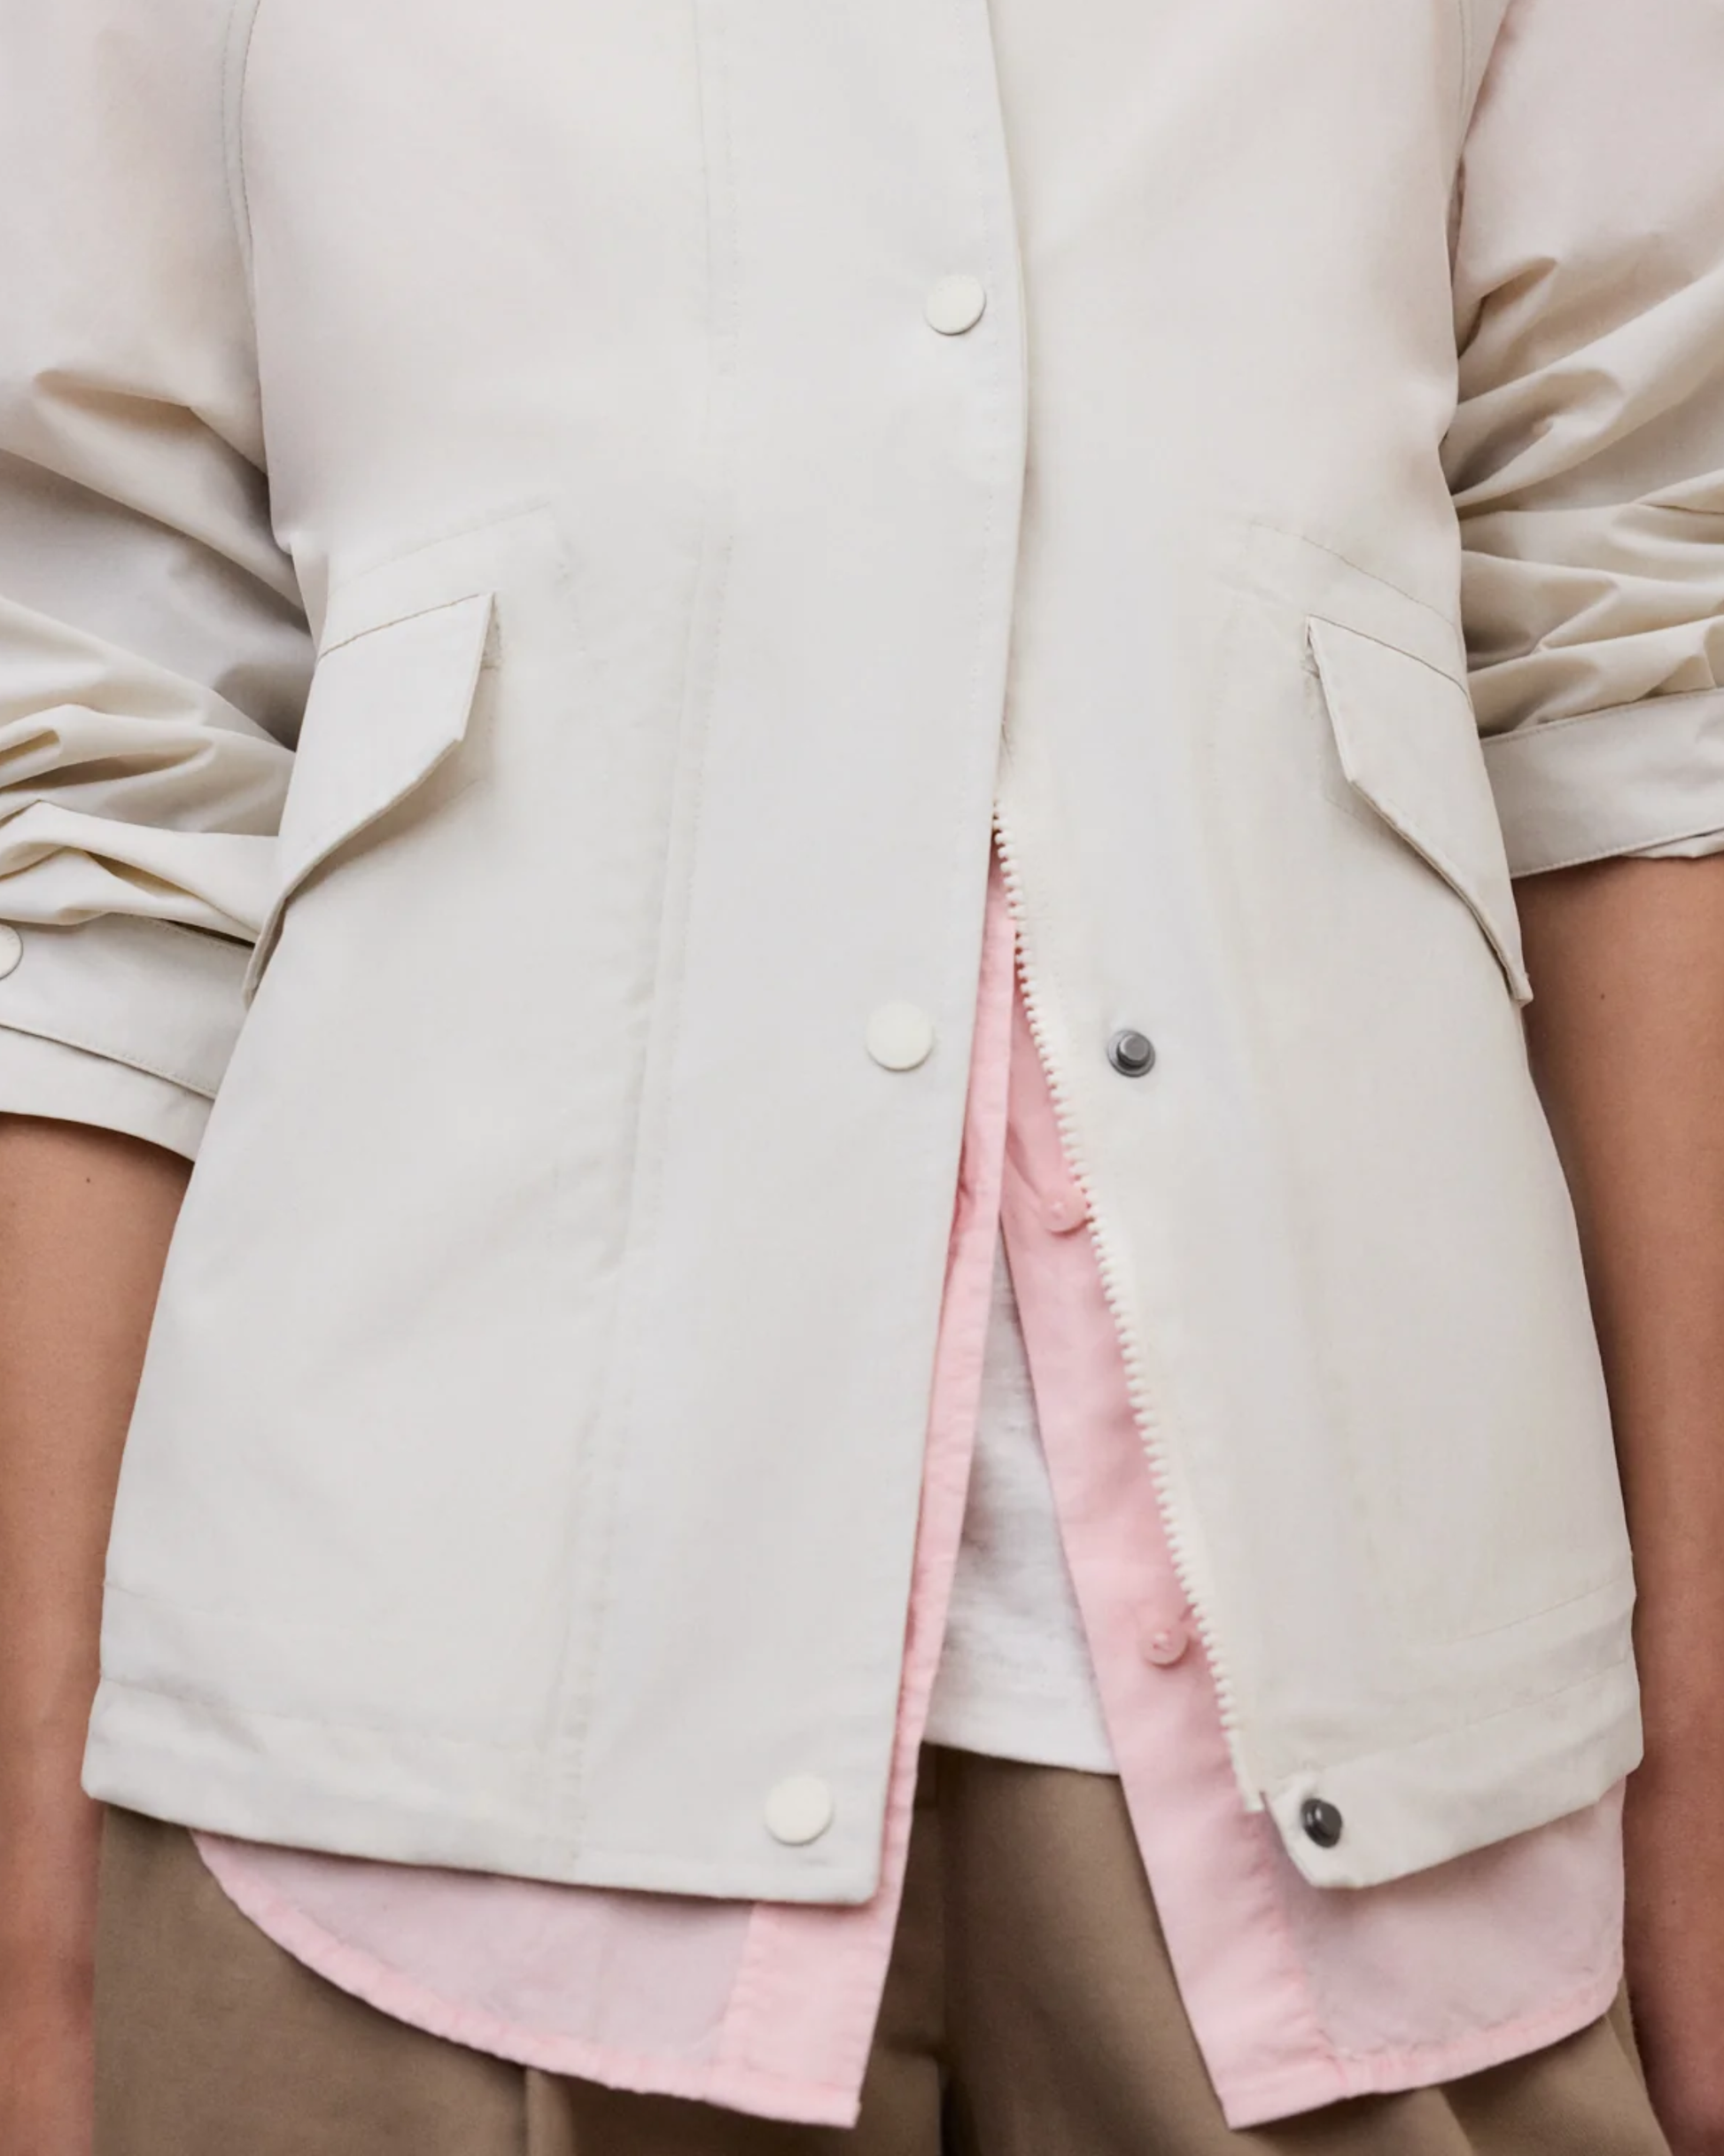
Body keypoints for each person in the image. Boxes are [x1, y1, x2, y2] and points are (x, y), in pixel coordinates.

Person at [4, 0, 1724, 2148]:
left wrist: (1700, 1720)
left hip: (1388, 1717)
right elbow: (89, 747)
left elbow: (1637, 633)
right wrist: (34, 1909)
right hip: (399, 1728)